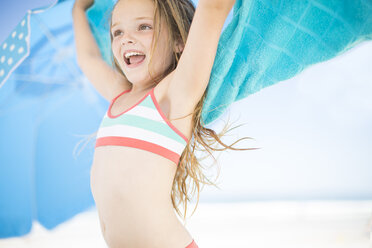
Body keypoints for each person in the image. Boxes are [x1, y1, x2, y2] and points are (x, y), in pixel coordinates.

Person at [72, 0, 251, 247]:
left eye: (144, 27)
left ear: (180, 42)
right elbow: (88, 58)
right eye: (117, 32)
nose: (127, 39)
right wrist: (78, 9)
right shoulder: (119, 96)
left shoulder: (173, 96)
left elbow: (213, 8)